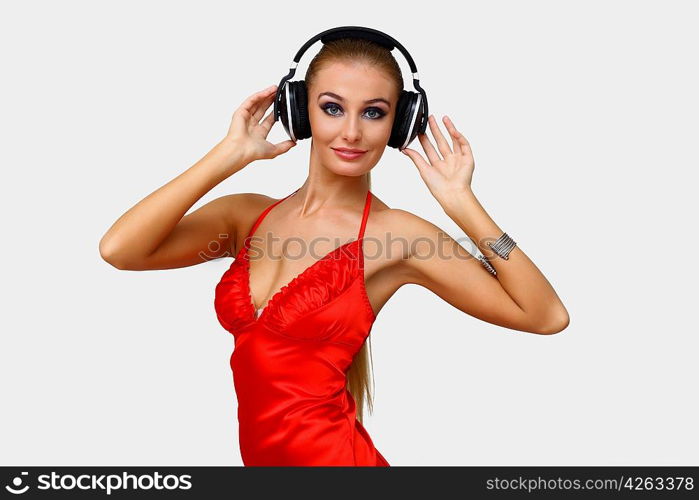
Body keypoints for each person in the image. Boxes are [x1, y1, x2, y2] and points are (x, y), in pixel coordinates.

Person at [99, 37, 569, 466]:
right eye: (331, 108)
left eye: (373, 112)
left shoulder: (395, 236)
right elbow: (120, 249)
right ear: (300, 112)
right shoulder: (244, 218)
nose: (351, 133)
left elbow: (545, 316)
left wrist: (463, 205)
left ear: (398, 123)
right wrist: (228, 154)